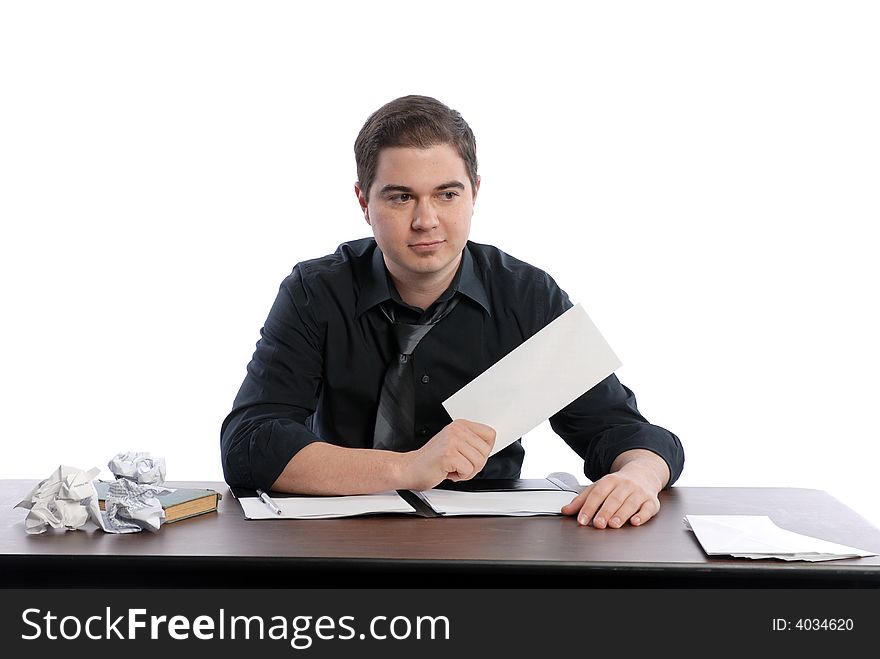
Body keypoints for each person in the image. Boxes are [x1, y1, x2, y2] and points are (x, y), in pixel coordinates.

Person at [220, 95, 684, 529]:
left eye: (447, 194)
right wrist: (407, 467)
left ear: (474, 192)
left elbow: (618, 429)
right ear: (364, 202)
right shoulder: (315, 292)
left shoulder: (527, 296)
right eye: (400, 197)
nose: (426, 220)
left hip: (485, 548)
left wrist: (640, 476)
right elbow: (249, 444)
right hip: (341, 540)